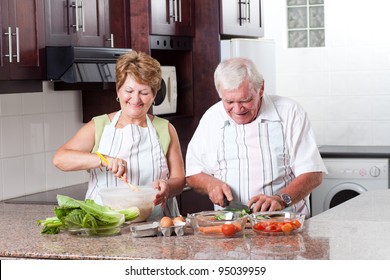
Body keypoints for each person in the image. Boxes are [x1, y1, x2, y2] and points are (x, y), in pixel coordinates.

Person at [185, 57, 327, 217]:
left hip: (285, 226)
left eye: (245, 100)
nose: (238, 109)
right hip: (231, 229)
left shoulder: (290, 112)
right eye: (229, 101)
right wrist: (210, 185)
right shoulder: (212, 118)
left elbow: (313, 173)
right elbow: (193, 172)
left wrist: (281, 199)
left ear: (261, 89)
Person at [53, 51, 185, 220]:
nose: (135, 99)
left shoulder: (165, 129)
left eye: (143, 92)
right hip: (105, 226)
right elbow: (60, 159)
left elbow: (179, 179)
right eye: (128, 90)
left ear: (154, 94)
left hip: (155, 225)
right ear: (118, 90)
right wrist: (103, 159)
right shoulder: (99, 125)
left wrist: (167, 186)